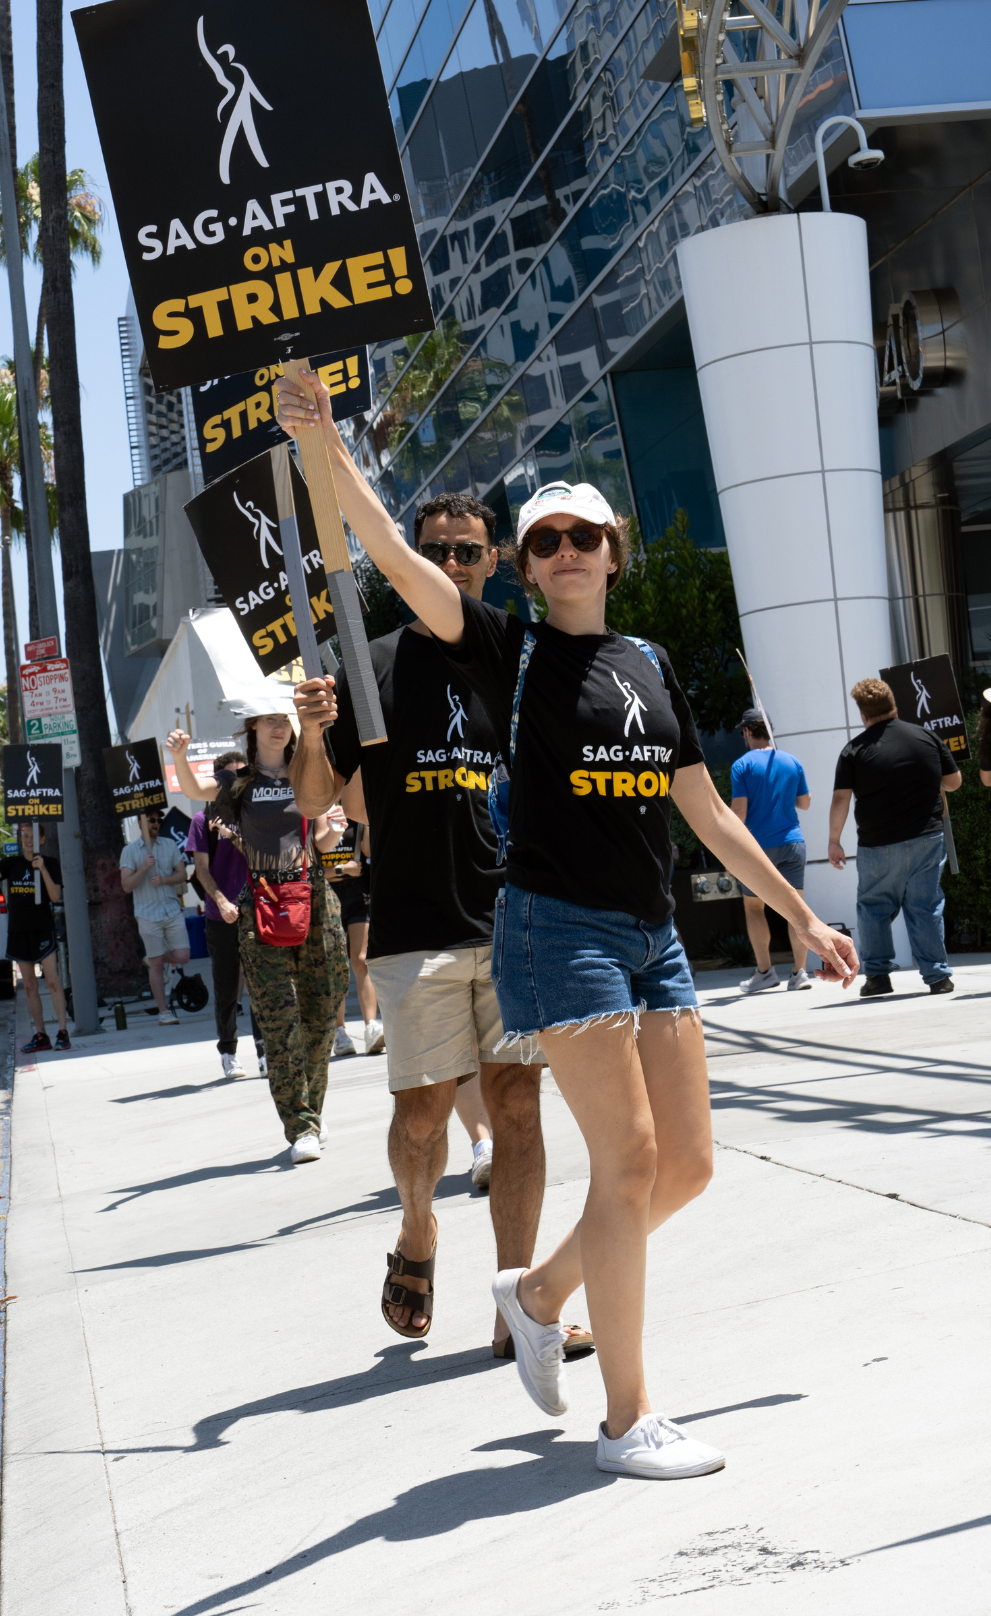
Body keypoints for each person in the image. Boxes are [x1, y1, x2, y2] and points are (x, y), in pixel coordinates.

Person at [278, 369, 858, 1478]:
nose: (565, 552)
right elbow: (398, 562)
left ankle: (538, 1291)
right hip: (558, 929)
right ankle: (627, 1420)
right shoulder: (512, 650)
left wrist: (804, 918)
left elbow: (706, 815)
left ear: (612, 550)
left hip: (652, 934)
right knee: (629, 1161)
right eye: (543, 540)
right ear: (528, 567)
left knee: (687, 1165)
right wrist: (330, 445)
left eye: (582, 535)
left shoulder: (648, 666)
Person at [289, 484, 554, 1362]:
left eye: (468, 552)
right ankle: (417, 1233)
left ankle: (517, 1304)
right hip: (414, 926)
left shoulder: (516, 659)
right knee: (421, 1119)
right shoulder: (370, 666)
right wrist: (308, 732)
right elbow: (317, 800)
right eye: (434, 550)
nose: (451, 565)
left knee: (517, 1104)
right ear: (406, 557)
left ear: (493, 560)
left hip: (514, 921)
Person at [213, 708, 350, 1164]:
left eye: (285, 717)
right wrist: (176, 757)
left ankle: (312, 1105)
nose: (278, 725)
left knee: (322, 1007)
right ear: (252, 726)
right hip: (263, 903)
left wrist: (335, 829)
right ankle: (301, 1125)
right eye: (268, 717)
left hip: (315, 895)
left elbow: (325, 842)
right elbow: (197, 793)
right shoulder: (239, 785)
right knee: (278, 1019)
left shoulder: (311, 773)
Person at [829, 677, 962, 997]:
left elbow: (841, 799)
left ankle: (877, 977)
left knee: (873, 907)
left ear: (863, 714)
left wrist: (834, 840)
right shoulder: (927, 736)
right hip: (927, 838)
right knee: (926, 906)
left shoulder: (853, 750)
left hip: (878, 843)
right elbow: (954, 782)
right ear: (894, 705)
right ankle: (938, 977)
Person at [166, 737, 254, 1080]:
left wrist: (233, 836)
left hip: (256, 910)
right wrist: (221, 901)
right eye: (230, 779)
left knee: (262, 982)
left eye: (242, 778)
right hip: (222, 914)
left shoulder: (254, 815)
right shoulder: (202, 821)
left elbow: (262, 857)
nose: (237, 785)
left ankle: (264, 1052)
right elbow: (200, 869)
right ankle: (229, 1051)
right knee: (228, 986)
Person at [0, 826, 68, 1052]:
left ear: (42, 838)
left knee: (52, 980)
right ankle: (41, 1035)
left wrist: (42, 870)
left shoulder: (50, 862)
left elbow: (56, 896)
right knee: (29, 985)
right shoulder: (12, 863)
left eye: (33, 837)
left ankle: (62, 1032)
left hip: (42, 929)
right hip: (19, 931)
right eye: (25, 836)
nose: (28, 841)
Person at [730, 708, 814, 993]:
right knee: (796, 910)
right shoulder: (791, 761)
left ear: (748, 731)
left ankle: (765, 972)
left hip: (759, 849)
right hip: (792, 843)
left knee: (754, 908)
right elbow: (805, 802)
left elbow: (738, 813)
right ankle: (799, 973)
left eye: (743, 731)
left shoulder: (741, 766)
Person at [318, 805, 385, 1058]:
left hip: (359, 892)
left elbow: (367, 851)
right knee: (334, 964)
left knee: (361, 959)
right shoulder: (317, 812)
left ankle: (371, 1026)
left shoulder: (353, 810)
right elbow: (313, 860)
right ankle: (339, 1031)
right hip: (326, 894)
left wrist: (364, 816)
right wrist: (341, 869)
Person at [119, 811, 191, 1025]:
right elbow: (126, 885)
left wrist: (166, 879)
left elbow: (182, 874)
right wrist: (144, 867)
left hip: (171, 909)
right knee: (157, 964)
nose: (157, 823)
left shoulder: (169, 845)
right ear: (141, 823)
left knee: (184, 955)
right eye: (152, 820)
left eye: (159, 820)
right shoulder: (129, 851)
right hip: (147, 914)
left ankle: (152, 957)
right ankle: (163, 1012)